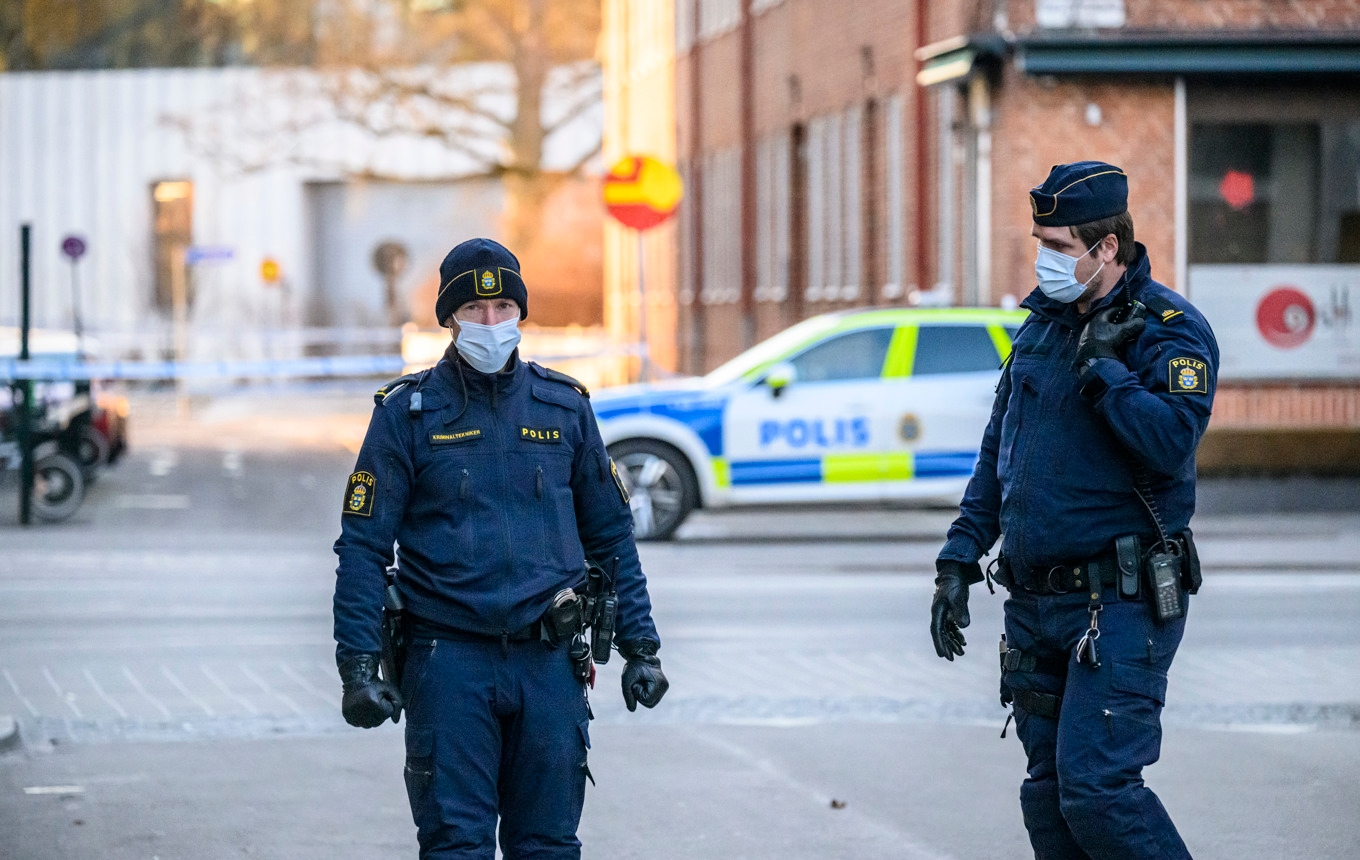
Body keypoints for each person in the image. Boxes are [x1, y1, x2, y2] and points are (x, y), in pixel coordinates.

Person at [332, 237, 668, 859]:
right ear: (449, 320)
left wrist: (641, 647)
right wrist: (357, 667)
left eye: (504, 309)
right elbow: (363, 547)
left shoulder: (564, 407)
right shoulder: (407, 415)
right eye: (474, 313)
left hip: (549, 666)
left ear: (520, 315)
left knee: (547, 845)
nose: (491, 324)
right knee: (456, 846)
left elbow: (612, 536)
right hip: (447, 663)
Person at [929, 161, 1218, 859]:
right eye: (1041, 243)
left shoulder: (1167, 332)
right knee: (1048, 793)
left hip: (1116, 605)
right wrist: (959, 554)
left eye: (1059, 247)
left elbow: (1171, 442)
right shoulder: (1042, 327)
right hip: (1037, 605)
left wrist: (1106, 374)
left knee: (1099, 792)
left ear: (1107, 248)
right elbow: (1002, 451)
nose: (1044, 260)